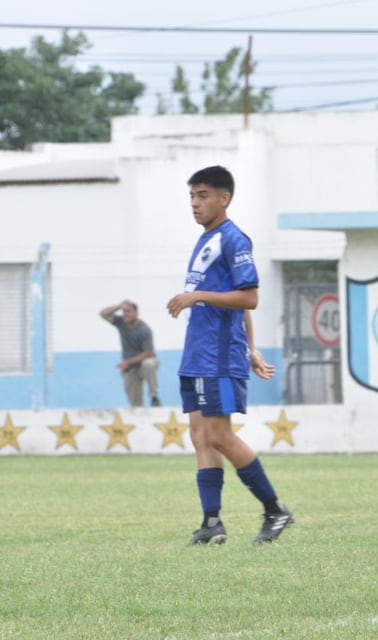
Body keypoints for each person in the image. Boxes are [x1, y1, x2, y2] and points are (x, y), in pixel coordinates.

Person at [166, 165, 293, 546]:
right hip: (197, 355)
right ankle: (211, 522)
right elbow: (242, 309)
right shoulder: (206, 239)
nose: (195, 203)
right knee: (200, 436)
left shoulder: (234, 239)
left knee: (219, 435)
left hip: (218, 357)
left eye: (203, 195)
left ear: (225, 198)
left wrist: (197, 296)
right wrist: (252, 347)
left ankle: (275, 510)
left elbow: (248, 297)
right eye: (191, 196)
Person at [99, 300, 161, 407]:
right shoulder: (121, 323)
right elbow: (103, 314)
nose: (125, 314)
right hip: (130, 368)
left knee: (149, 364)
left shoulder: (144, 330)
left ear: (136, 313)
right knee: (135, 405)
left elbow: (148, 353)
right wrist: (119, 305)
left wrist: (127, 362)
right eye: (123, 312)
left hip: (142, 364)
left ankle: (153, 396)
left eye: (128, 311)